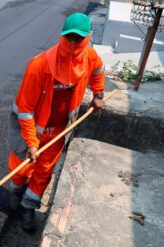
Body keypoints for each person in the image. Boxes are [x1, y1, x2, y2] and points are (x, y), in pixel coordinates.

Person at [8, 12, 105, 232]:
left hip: (60, 129)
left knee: (44, 171)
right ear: (62, 36)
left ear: (88, 37)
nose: (72, 43)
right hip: (30, 128)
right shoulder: (39, 65)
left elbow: (98, 70)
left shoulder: (90, 57)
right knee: (21, 166)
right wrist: (32, 142)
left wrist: (98, 94)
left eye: (77, 38)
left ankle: (29, 206)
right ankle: (16, 190)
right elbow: (25, 111)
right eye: (68, 37)